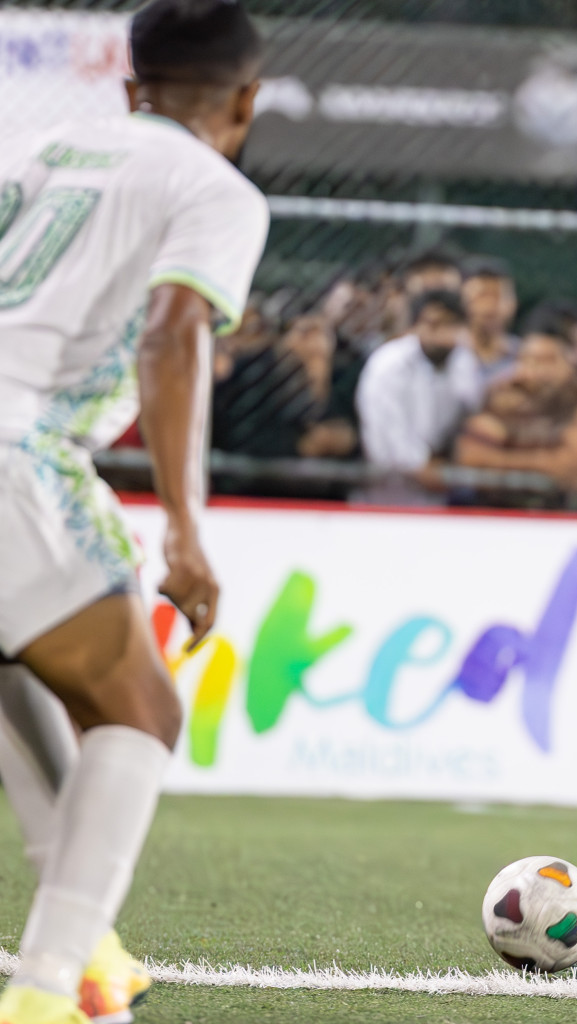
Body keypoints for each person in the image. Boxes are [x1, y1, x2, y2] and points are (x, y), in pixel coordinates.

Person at [0, 2, 269, 1022]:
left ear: (129, 86)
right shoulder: (215, 189)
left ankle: (92, 956)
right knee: (144, 708)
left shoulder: (39, 152)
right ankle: (41, 994)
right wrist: (185, 533)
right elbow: (172, 337)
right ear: (247, 100)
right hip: (20, 442)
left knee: (15, 663)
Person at [355, 289, 483, 490]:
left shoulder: (464, 361)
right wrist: (421, 466)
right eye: (432, 324)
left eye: (450, 324)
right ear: (415, 326)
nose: (441, 333)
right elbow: (385, 435)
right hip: (385, 490)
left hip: (439, 489)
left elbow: (469, 414)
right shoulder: (388, 363)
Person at [453, 332, 577, 492]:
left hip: (554, 510)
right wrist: (540, 463)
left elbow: (573, 466)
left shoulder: (574, 405)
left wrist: (504, 460)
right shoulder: (501, 400)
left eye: (547, 361)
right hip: (497, 509)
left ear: (566, 366)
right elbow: (473, 458)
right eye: (528, 360)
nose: (537, 370)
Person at [211, 313, 357, 459]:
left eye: (322, 333)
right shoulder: (254, 372)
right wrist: (301, 446)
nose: (315, 342)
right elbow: (236, 435)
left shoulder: (342, 376)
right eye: (306, 333)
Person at [460, 258, 519, 383]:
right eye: (482, 295)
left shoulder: (523, 357)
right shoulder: (446, 353)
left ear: (514, 304)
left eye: (499, 296)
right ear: (462, 301)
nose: (491, 305)